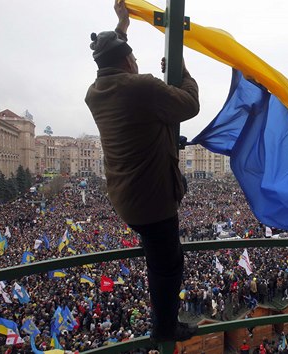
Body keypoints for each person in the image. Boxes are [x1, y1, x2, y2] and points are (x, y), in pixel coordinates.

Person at [85, 0, 200, 344]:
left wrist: (121, 28)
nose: (137, 63)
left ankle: (162, 323)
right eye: (133, 58)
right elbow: (190, 104)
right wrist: (183, 71)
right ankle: (164, 329)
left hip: (127, 198)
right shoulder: (142, 87)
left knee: (158, 256)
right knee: (169, 265)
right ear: (126, 60)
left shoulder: (96, 92)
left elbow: (108, 64)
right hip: (152, 200)